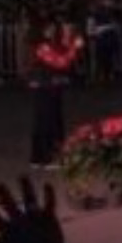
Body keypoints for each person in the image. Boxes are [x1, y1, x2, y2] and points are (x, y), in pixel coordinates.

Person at [29, 21, 83, 168]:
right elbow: (60, 62)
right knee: (49, 122)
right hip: (45, 87)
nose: (52, 31)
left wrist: (68, 38)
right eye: (49, 28)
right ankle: (48, 158)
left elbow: (62, 53)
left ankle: (39, 157)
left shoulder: (48, 44)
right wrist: (74, 48)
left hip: (49, 86)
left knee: (46, 121)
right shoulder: (42, 46)